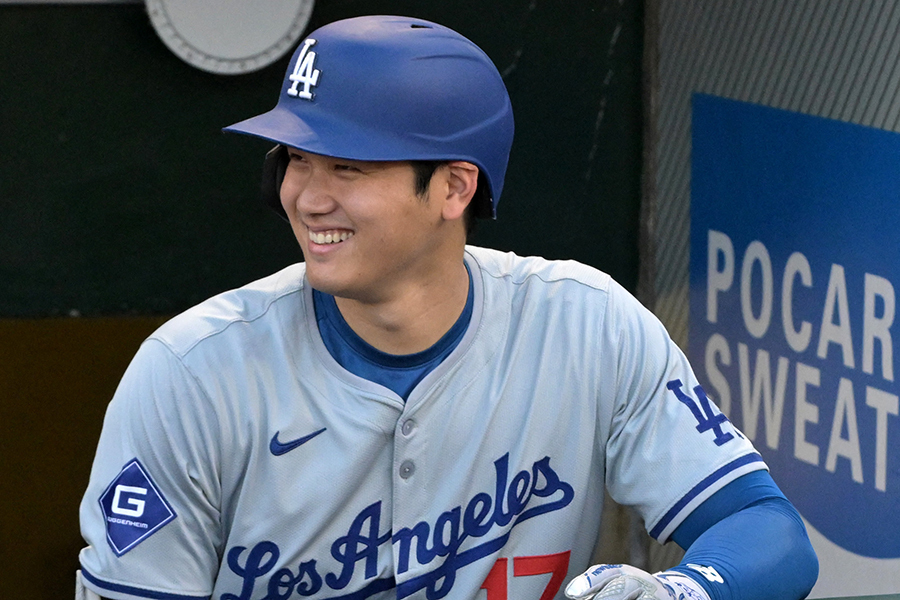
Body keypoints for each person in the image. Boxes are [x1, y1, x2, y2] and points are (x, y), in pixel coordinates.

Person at [76, 14, 818, 600]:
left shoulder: (585, 325)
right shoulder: (193, 373)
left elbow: (764, 529)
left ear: (455, 188)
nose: (307, 195)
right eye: (296, 160)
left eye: (348, 166)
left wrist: (683, 590)